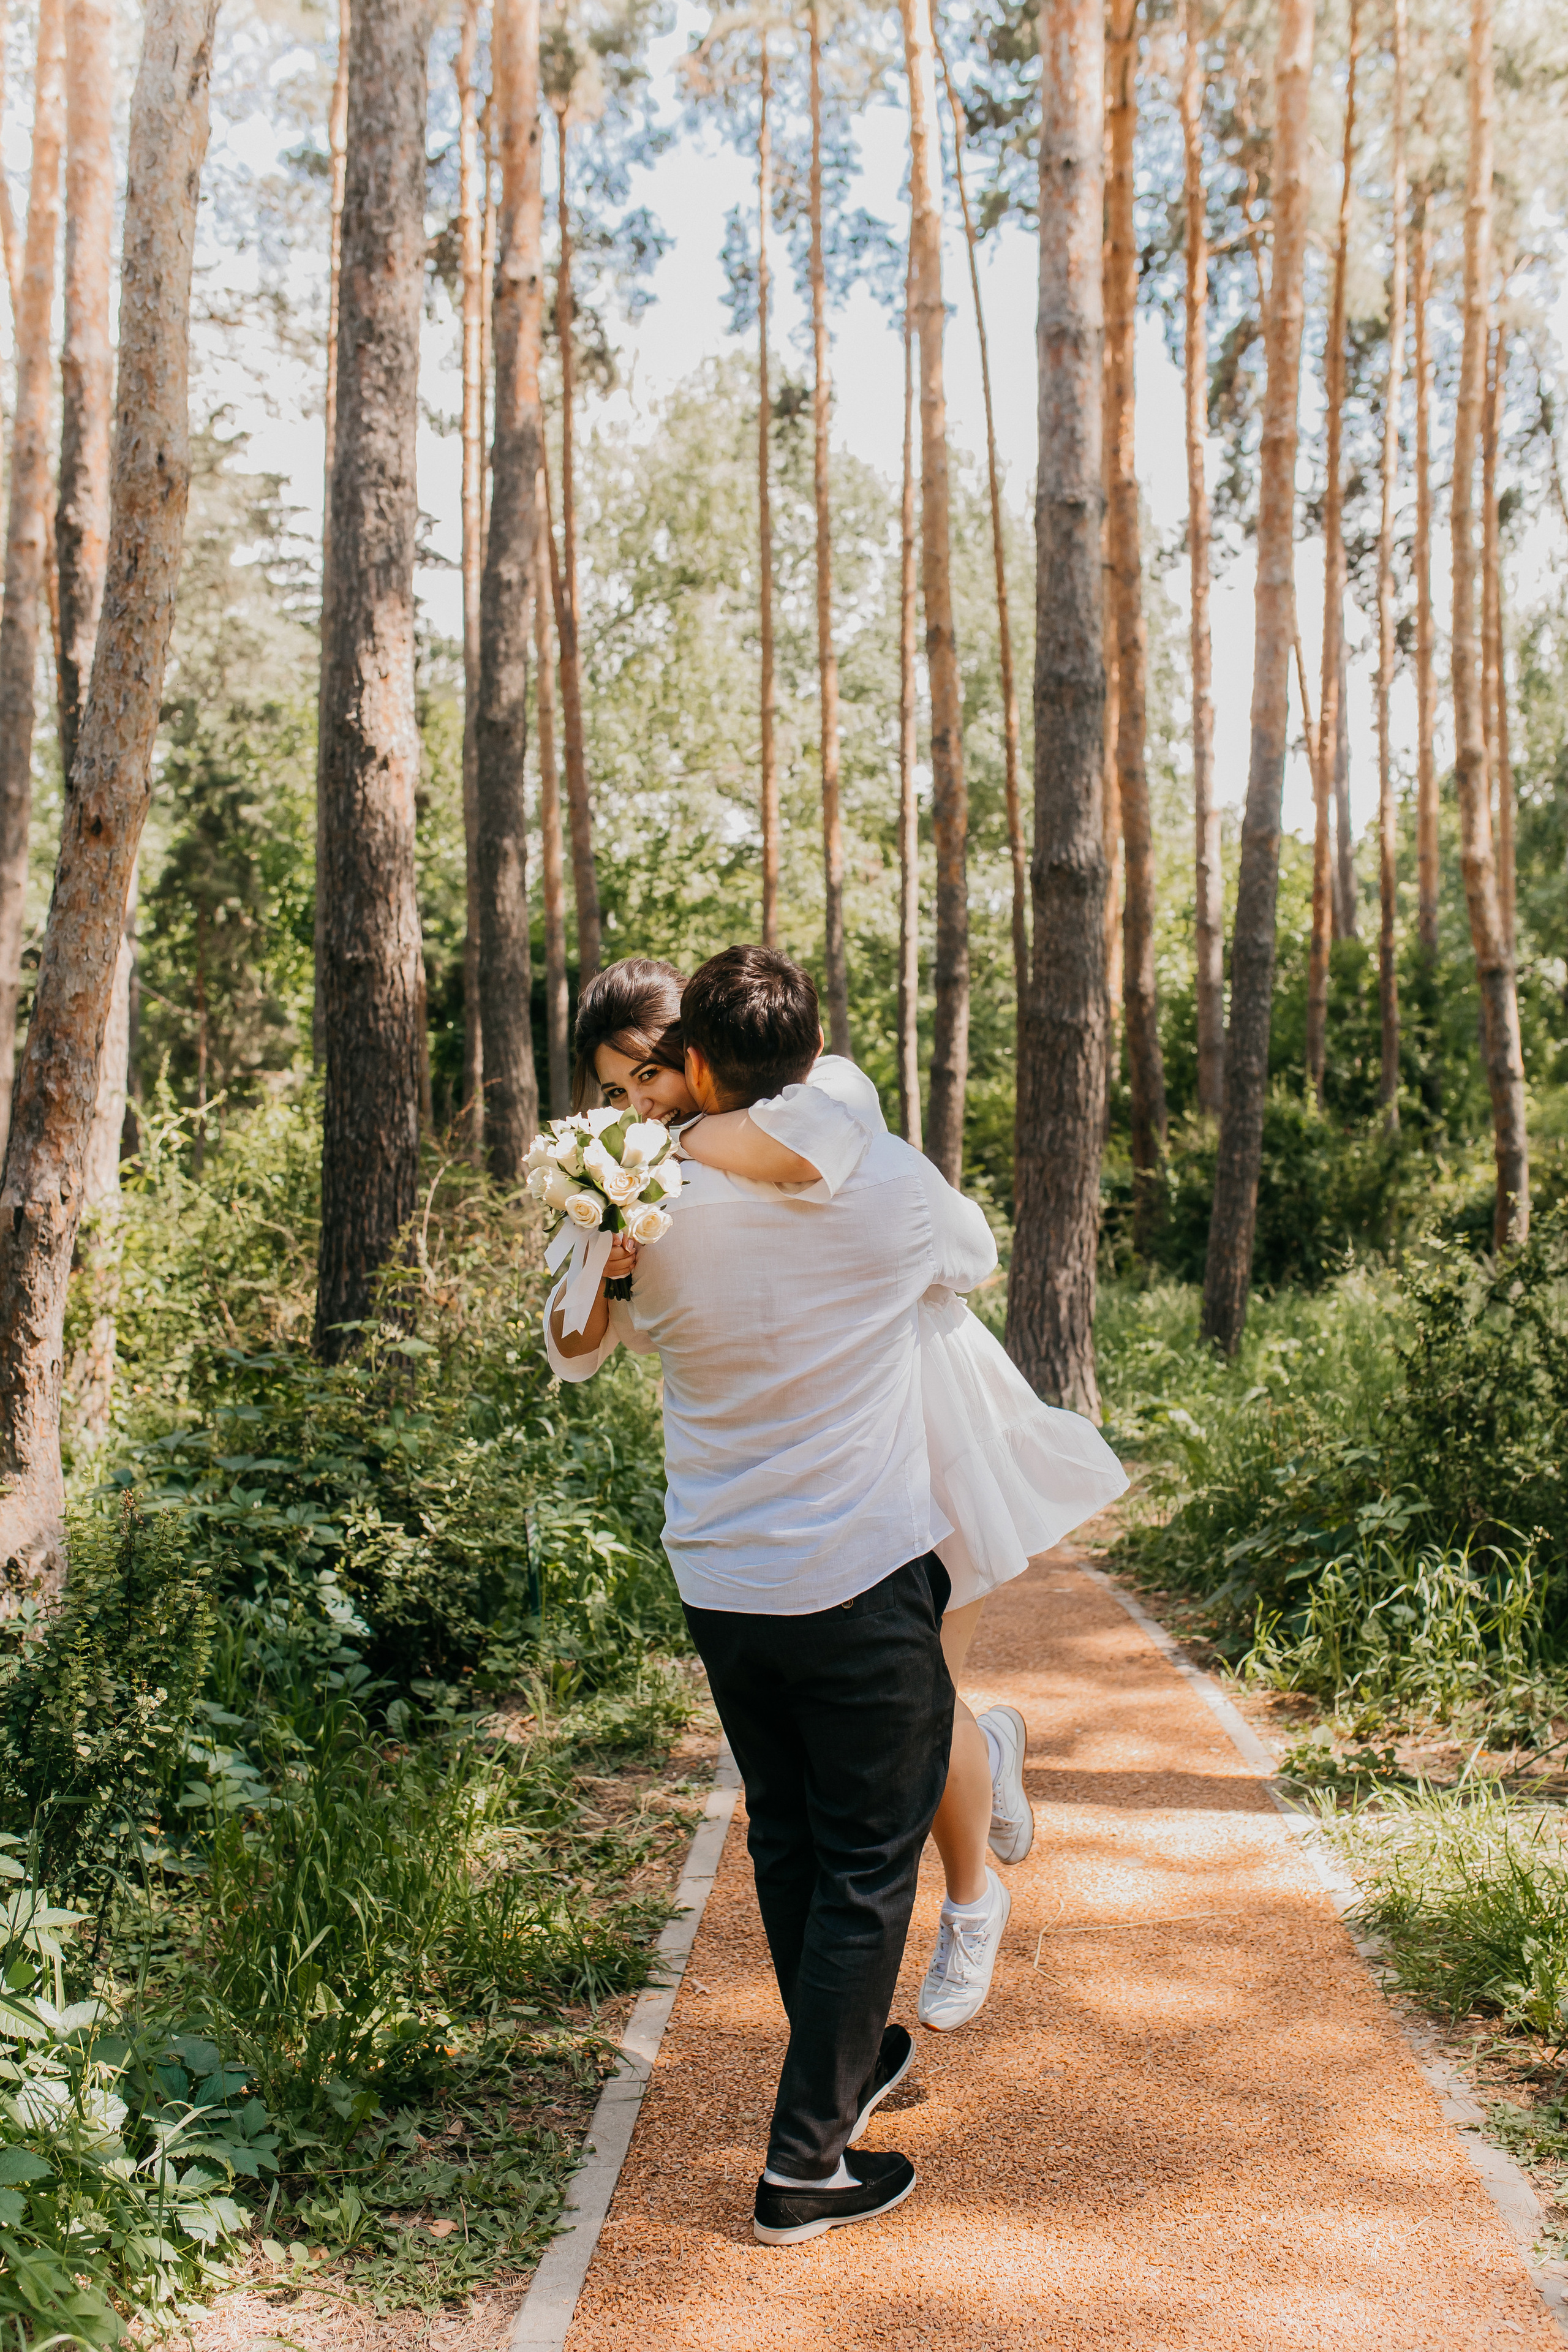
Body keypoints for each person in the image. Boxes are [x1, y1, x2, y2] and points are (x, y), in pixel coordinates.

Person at [567, 955, 1128, 2030]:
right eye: (614, 1091)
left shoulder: (823, 1099)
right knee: (919, 1697)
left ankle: (971, 1900)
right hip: (819, 1432)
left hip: (922, 1414)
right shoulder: (656, 1170)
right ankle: (988, 1763)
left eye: (648, 1074)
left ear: (695, 1050)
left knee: (918, 1691)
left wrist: (657, 1158)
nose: (637, 1102)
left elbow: (941, 1241)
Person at [546, 947, 996, 2246]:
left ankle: (845, 2069)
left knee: (793, 1832)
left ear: (688, 1062)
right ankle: (806, 2165)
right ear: (810, 1068)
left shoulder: (637, 1202)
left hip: (724, 1577)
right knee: (866, 1858)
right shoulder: (884, 1183)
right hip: (857, 1568)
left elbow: (575, 1353)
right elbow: (962, 1259)